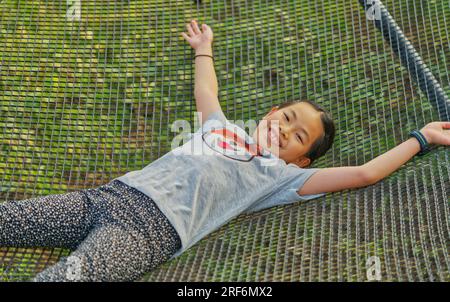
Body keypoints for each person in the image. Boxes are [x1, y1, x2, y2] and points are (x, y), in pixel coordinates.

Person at [1, 20, 449, 282]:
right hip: (108, 196)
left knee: (63, 278)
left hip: (149, 233)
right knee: (9, 220)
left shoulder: (282, 177)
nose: (284, 129)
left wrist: (421, 138)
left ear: (302, 160)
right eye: (287, 117)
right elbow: (207, 89)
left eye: (297, 137)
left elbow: (364, 175)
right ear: (272, 111)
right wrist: (204, 48)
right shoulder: (222, 127)